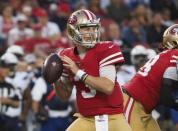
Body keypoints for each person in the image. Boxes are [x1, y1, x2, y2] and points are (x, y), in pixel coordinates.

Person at [52, 9, 132, 131]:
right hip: (86, 119)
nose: (92, 32)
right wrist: (55, 79)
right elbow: (64, 95)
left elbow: (108, 87)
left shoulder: (106, 49)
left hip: (113, 117)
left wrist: (78, 71)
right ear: (73, 30)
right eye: (86, 28)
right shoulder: (65, 56)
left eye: (94, 28)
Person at [122, 24, 178, 131]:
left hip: (142, 107)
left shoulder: (168, 55)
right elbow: (165, 96)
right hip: (133, 102)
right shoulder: (174, 55)